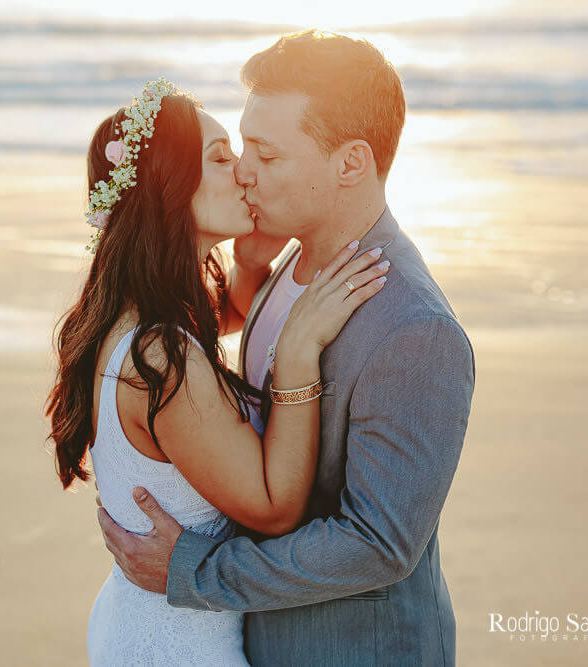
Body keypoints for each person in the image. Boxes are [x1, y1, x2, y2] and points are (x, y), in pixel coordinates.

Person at [96, 31, 476, 666]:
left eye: (266, 156)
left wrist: (197, 570)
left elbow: (380, 544)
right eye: (241, 148)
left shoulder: (414, 331)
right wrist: (246, 273)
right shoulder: (284, 263)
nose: (244, 170)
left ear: (350, 163)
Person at [45, 76, 389, 665]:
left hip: (144, 618)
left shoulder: (127, 312)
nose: (245, 172)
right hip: (177, 643)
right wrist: (299, 354)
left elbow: (224, 313)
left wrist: (252, 260)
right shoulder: (159, 360)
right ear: (172, 190)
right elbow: (273, 505)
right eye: (221, 157)